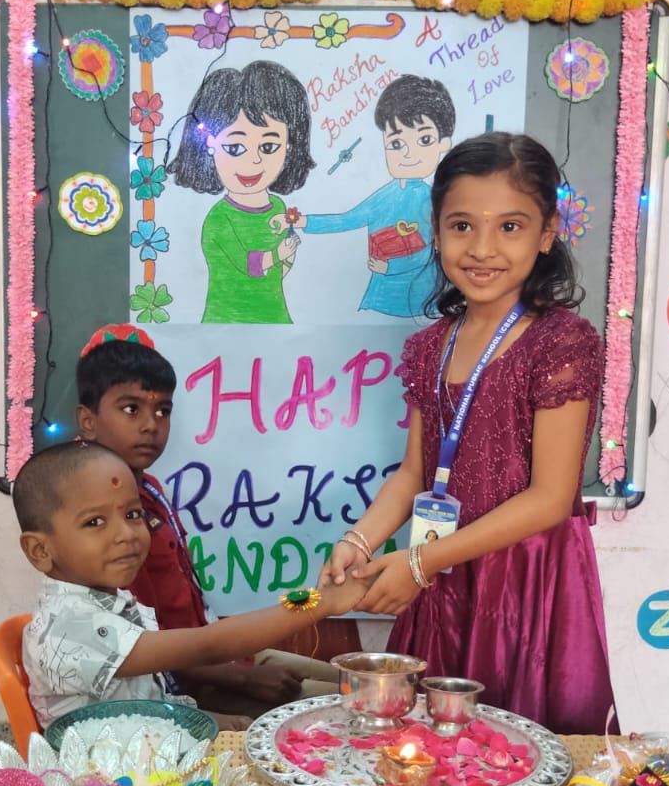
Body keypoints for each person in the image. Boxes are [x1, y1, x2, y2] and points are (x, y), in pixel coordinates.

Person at [321, 132, 619, 735]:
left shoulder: (562, 341)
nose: (482, 249)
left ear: (547, 233)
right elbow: (414, 474)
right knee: (432, 746)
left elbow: (551, 498)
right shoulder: (429, 346)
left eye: (510, 227)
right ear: (435, 231)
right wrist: (360, 539)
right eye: (462, 226)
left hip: (528, 583)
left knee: (520, 746)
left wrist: (419, 562)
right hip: (443, 576)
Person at [74, 325, 343, 718]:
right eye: (131, 409)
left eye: (162, 411)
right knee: (342, 708)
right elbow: (142, 645)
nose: (151, 425)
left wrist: (240, 665)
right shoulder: (101, 513)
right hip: (178, 683)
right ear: (88, 420)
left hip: (213, 657)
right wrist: (244, 678)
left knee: (351, 682)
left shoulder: (148, 489)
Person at [14, 440, 374, 731]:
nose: (126, 534)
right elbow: (209, 645)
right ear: (40, 550)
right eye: (94, 522)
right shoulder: (72, 625)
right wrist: (319, 602)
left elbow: (147, 701)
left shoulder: (107, 599)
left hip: (152, 744)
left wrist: (215, 721)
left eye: (133, 514)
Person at [281, 75, 455, 318]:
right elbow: (348, 219)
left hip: (419, 300)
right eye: (396, 144)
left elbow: (430, 251)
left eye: (424, 140)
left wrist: (390, 267)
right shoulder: (385, 196)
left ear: (443, 143)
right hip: (380, 297)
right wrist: (303, 221)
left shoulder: (432, 200)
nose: (408, 154)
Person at [168, 60, 316, 324]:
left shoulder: (278, 208)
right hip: (226, 321)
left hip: (275, 318)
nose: (254, 161)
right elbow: (248, 264)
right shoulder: (219, 218)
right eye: (235, 148)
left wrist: (288, 253)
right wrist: (279, 255)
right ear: (210, 144)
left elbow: (277, 272)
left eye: (268, 147)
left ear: (289, 146)